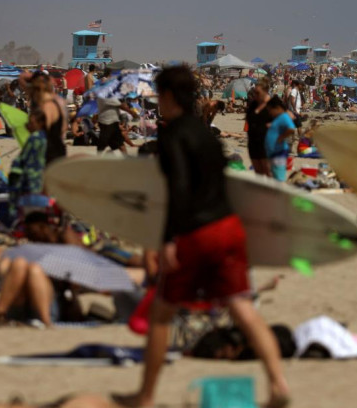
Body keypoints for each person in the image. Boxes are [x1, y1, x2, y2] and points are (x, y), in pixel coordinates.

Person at [114, 66, 289, 408]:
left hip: (196, 232)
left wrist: (166, 240)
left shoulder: (174, 133)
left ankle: (146, 396)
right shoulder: (207, 133)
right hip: (228, 227)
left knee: (162, 314)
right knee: (242, 308)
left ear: (166, 95)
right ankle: (279, 384)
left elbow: (177, 189)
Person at [25, 72, 67, 165]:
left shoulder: (46, 106)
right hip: (58, 149)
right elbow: (63, 128)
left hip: (49, 152)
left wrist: (31, 125)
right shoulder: (56, 103)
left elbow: (42, 132)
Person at [265, 96, 297, 182]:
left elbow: (291, 128)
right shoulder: (278, 118)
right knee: (274, 175)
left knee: (278, 176)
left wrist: (281, 137)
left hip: (280, 152)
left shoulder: (283, 116)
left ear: (277, 108)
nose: (270, 113)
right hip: (274, 151)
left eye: (270, 110)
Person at [246, 78, 273, 176]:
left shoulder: (273, 104)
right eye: (254, 92)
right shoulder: (253, 104)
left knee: (268, 172)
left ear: (265, 92)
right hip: (253, 142)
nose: (255, 95)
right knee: (258, 173)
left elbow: (287, 121)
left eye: (258, 93)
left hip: (267, 143)